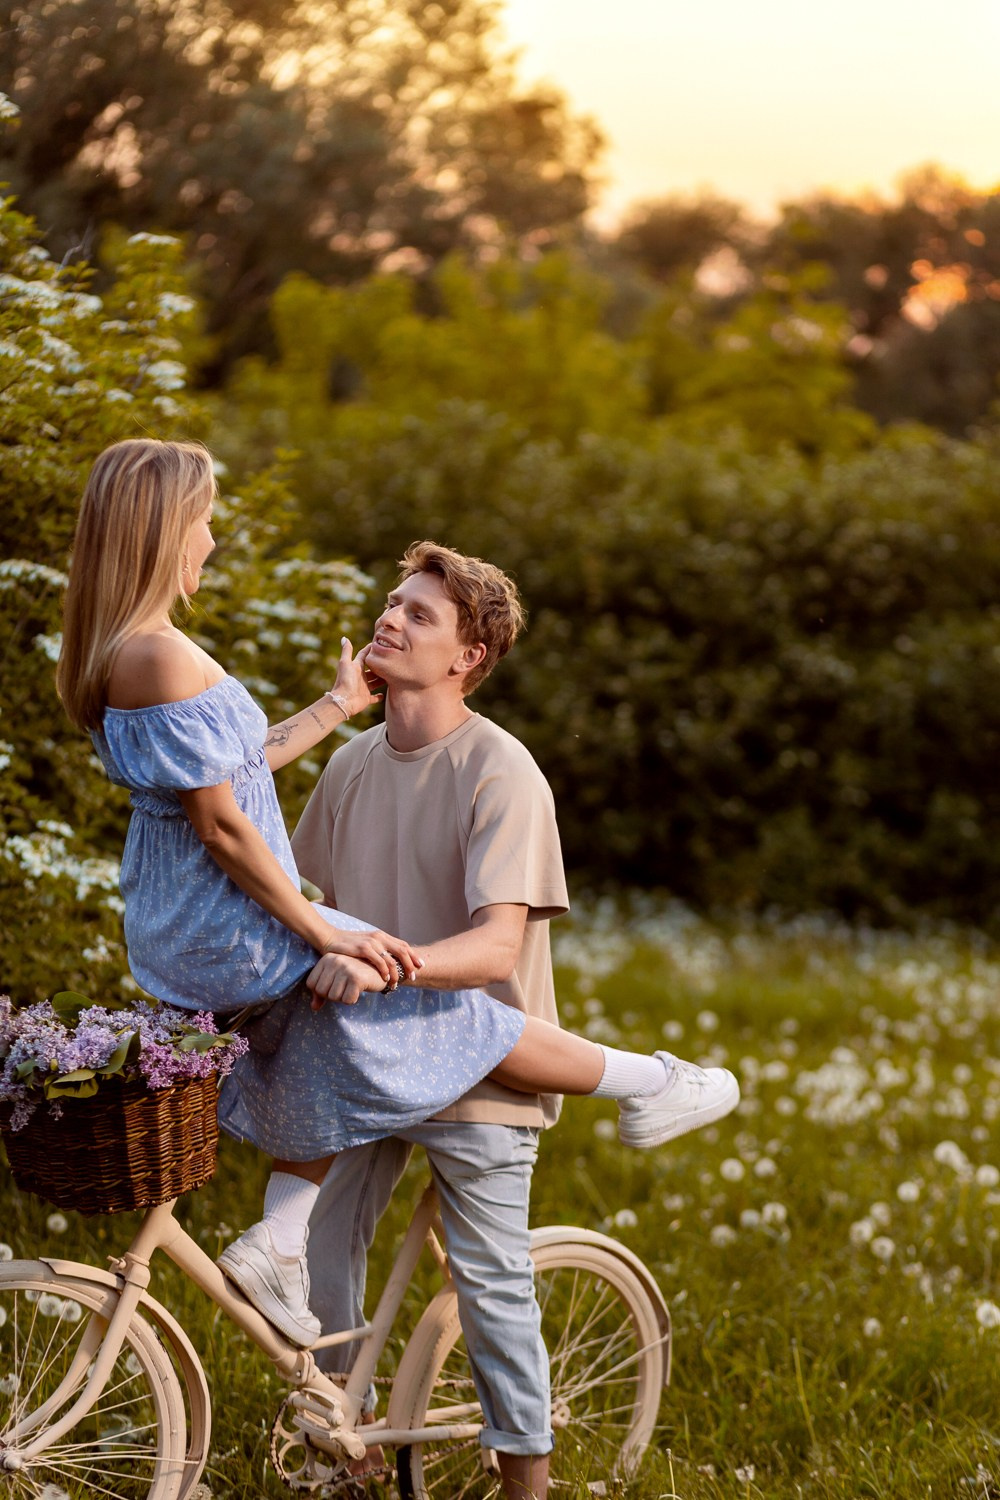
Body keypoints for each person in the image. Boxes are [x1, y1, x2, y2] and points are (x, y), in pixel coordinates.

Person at [55, 440, 738, 1422]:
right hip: (243, 938)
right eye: (202, 517)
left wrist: (333, 709)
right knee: (459, 1018)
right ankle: (651, 1081)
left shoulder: (126, 653)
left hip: (187, 935)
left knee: (379, 1027)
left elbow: (233, 775)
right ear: (164, 530)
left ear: (469, 656)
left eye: (416, 611)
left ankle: (288, 1251)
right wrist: (319, 934)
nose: (211, 533)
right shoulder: (172, 657)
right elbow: (226, 821)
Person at [290, 540, 738, 1500]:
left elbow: (496, 952)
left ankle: (527, 1487)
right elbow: (304, 901)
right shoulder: (354, 765)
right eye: (393, 602)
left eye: (420, 614)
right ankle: (344, 1446)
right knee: (319, 1245)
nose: (391, 618)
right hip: (374, 1066)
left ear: (469, 657)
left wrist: (377, 965)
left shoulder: (502, 771)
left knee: (495, 1294)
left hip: (485, 1072)